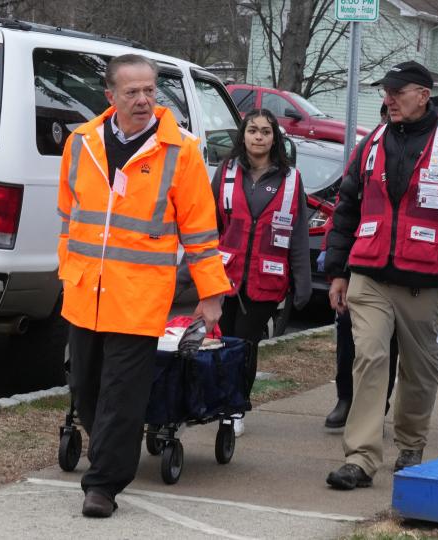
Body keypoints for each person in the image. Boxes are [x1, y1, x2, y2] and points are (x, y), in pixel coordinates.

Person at [57, 54, 230, 518]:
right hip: (84, 293)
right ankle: (111, 448)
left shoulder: (180, 151)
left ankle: (104, 485)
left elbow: (200, 231)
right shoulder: (81, 143)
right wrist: (66, 269)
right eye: (132, 92)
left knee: (122, 393)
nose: (143, 100)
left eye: (150, 91)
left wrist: (211, 294)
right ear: (109, 96)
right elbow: (67, 218)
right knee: (86, 390)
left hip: (139, 297)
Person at [323, 60, 438, 489]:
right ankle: (361, 458)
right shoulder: (371, 144)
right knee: (369, 357)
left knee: (420, 371)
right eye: (386, 92)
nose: (389, 99)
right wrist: (337, 271)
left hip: (424, 280)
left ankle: (410, 445)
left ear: (423, 94)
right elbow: (346, 208)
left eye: (397, 92)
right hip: (368, 276)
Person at [213, 108, 312, 437]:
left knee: (244, 344)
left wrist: (303, 282)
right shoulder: (226, 172)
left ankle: (236, 406)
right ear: (243, 135)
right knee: (219, 343)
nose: (258, 137)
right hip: (224, 277)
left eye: (265, 132)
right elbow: (207, 225)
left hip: (265, 280)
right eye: (252, 130)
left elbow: (298, 235)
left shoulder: (291, 179)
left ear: (275, 138)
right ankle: (218, 400)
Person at [322, 102, 398, 430]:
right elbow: (344, 206)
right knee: (347, 333)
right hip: (358, 257)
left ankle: (377, 403)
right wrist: (336, 264)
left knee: (385, 341)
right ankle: (346, 397)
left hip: (394, 264)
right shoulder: (365, 152)